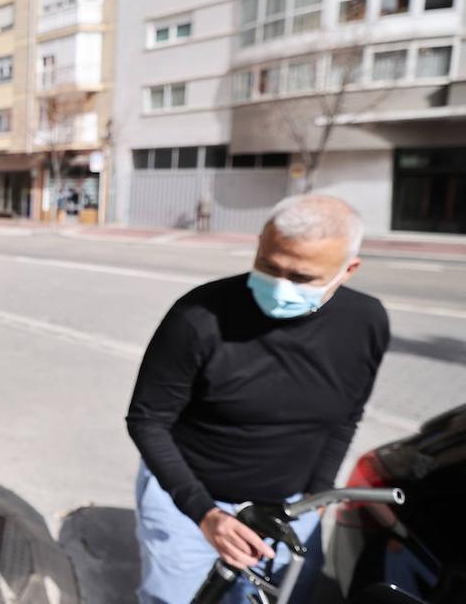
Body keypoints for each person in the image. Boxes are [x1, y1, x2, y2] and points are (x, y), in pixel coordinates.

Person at [126, 194, 389, 604]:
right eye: (268, 266)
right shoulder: (198, 317)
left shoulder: (366, 323)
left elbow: (346, 416)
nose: (281, 286)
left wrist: (316, 498)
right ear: (260, 244)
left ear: (347, 270)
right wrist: (204, 514)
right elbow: (148, 420)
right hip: (190, 504)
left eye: (301, 277)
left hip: (292, 510)